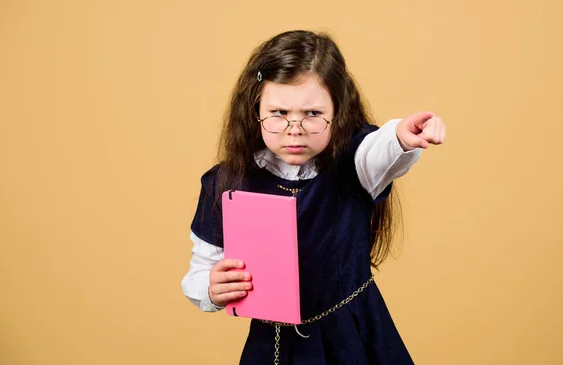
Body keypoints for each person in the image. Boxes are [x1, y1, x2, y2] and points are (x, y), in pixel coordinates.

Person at [181, 29, 445, 364]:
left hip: (352, 339)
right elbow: (199, 273)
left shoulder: (356, 163)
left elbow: (381, 150)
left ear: (339, 110)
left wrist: (402, 137)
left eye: (312, 114)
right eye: (279, 113)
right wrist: (210, 287)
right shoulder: (228, 182)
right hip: (273, 346)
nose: (295, 128)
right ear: (254, 110)